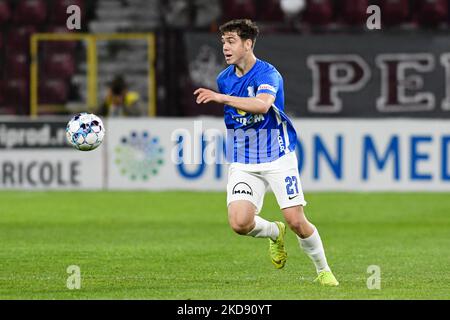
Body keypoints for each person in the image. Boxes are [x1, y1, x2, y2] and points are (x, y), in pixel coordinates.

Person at [193, 19, 339, 286]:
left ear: (248, 44)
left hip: (277, 156)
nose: (225, 47)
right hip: (243, 159)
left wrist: (221, 98)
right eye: (223, 42)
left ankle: (323, 269)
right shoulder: (224, 78)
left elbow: (261, 105)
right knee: (239, 223)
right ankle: (274, 232)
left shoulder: (268, 74)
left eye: (231, 41)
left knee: (296, 219)